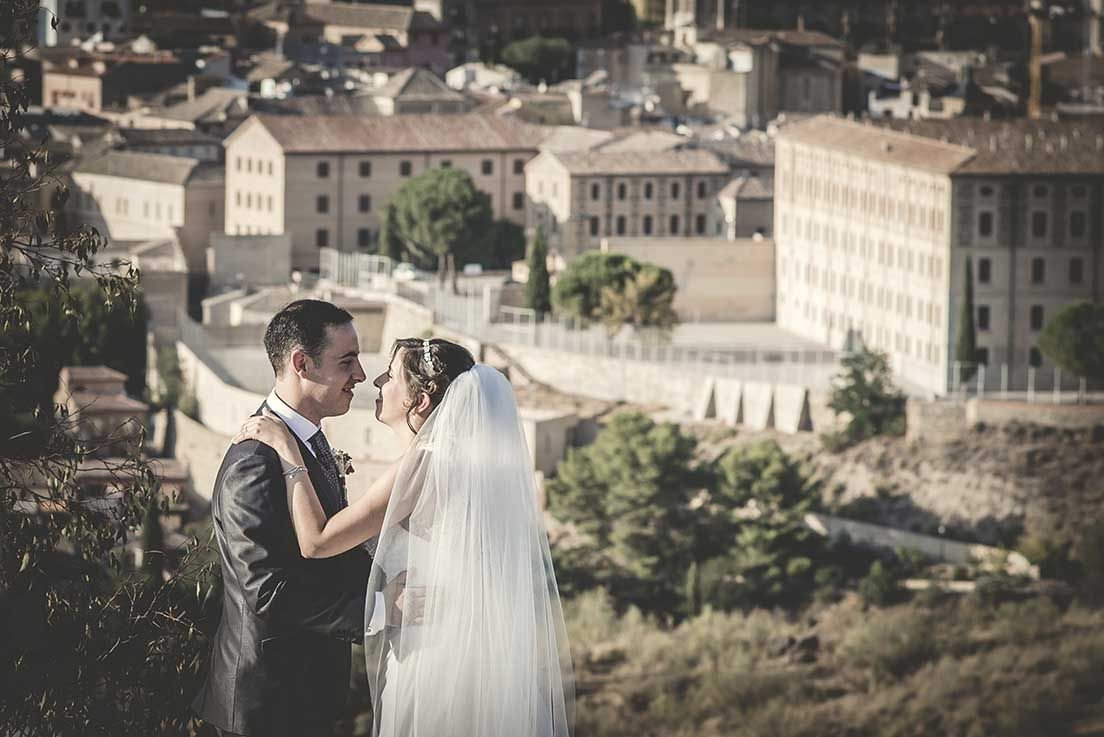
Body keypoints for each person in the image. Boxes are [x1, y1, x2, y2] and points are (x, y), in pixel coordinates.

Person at [233, 336, 574, 737]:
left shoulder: (422, 464)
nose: (376, 381)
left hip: (432, 657)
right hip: (465, 650)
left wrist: (285, 448)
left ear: (420, 401)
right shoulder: (460, 465)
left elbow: (318, 542)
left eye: (390, 376)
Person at [192, 300, 373, 737]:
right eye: (347, 361)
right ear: (301, 364)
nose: (361, 376)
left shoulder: (306, 443)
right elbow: (267, 589)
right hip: (265, 707)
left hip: (304, 699)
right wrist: (378, 608)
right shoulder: (254, 460)